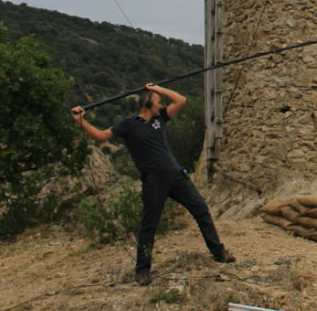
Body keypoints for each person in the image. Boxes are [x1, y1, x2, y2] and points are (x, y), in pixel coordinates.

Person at [71, 83, 235, 285]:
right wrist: (81, 121)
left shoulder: (160, 119)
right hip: (154, 180)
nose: (161, 104)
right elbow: (101, 136)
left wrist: (157, 88)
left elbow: (181, 100)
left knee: (201, 209)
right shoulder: (128, 124)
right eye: (158, 101)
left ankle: (219, 252)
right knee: (149, 225)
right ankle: (142, 271)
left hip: (176, 175)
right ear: (147, 103)